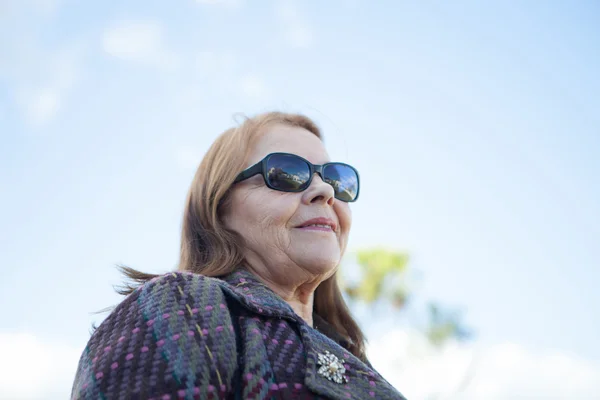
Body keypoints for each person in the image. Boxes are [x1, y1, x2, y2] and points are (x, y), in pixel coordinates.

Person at [71, 111, 406, 399]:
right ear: (220, 208)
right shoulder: (184, 305)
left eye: (337, 179)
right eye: (287, 173)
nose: (325, 191)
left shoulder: (358, 360)